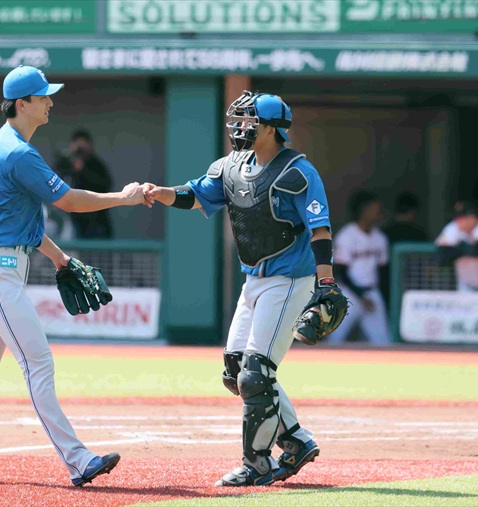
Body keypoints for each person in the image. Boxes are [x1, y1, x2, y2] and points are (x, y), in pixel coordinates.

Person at [0, 66, 149, 486]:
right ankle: (77, 460)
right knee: (37, 362)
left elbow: (25, 224)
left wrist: (60, 258)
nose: (50, 102)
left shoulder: (7, 144)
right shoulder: (16, 152)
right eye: (43, 96)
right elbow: (69, 201)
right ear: (22, 103)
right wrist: (124, 198)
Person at [143, 91, 338, 487]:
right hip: (254, 280)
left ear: (271, 129)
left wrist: (327, 283)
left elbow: (320, 230)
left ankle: (257, 464)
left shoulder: (298, 172)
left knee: (256, 374)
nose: (240, 127)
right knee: (237, 370)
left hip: (289, 280)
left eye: (250, 121)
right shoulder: (230, 166)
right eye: (240, 119)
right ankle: (296, 441)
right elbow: (195, 194)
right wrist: (160, 192)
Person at [328, 191, 391, 346]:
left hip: (371, 293)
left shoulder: (380, 238)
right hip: (348, 294)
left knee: (383, 342)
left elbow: (383, 271)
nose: (379, 213)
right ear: (364, 210)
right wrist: (361, 296)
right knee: (334, 340)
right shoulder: (347, 235)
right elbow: (341, 272)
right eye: (375, 209)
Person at [55, 129, 114, 238]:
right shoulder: (67, 162)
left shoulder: (96, 165)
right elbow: (54, 179)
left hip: (95, 220)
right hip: (71, 218)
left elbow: (105, 185)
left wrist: (83, 170)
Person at [436, 201, 478, 292]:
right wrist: (465, 248)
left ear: (473, 217)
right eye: (457, 218)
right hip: (466, 286)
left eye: (461, 218)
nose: (458, 221)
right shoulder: (453, 227)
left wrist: (457, 247)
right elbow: (443, 255)